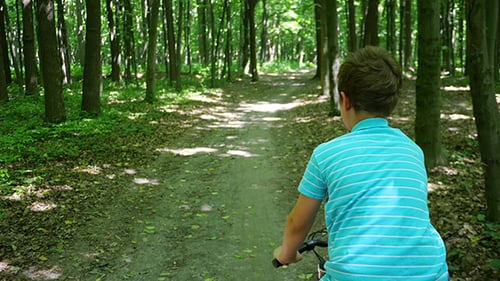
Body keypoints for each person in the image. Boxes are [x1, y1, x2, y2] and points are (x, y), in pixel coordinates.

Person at [273, 46, 449, 280]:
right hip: (431, 273)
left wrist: (287, 253)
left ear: (344, 100)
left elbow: (297, 223)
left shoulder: (325, 155)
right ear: (392, 103)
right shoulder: (413, 151)